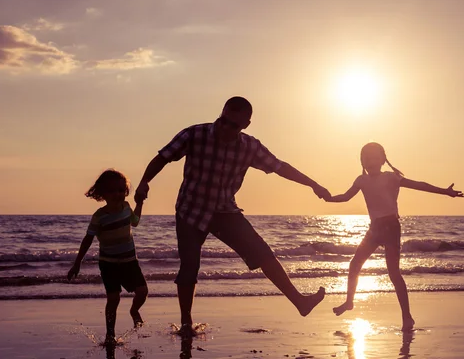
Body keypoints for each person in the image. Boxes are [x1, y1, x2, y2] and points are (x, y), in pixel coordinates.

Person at [134, 97, 329, 336]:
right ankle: (186, 323)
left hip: (225, 210)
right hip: (190, 210)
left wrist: (313, 184)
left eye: (233, 125)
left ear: (245, 125)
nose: (225, 128)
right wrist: (144, 181)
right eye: (223, 121)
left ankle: (300, 301)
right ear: (221, 114)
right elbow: (163, 156)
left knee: (262, 252)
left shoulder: (250, 146)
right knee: (190, 266)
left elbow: (280, 167)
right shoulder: (194, 134)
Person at [324, 142, 464, 331]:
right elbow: (346, 197)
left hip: (391, 227)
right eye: (366, 158)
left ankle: (407, 318)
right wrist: (328, 197)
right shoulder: (361, 180)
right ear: (361, 161)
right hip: (374, 229)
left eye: (374, 157)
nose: (370, 161)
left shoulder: (391, 178)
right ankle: (349, 302)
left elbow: (419, 185)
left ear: (382, 160)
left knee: (394, 274)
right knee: (354, 264)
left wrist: (445, 192)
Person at [68, 169, 149, 345]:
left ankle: (134, 311)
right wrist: (77, 263)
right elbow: (88, 239)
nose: (117, 194)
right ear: (102, 193)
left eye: (121, 190)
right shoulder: (99, 216)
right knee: (113, 298)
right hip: (108, 264)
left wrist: (139, 203)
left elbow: (135, 222)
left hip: (130, 262)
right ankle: (110, 334)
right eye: (112, 191)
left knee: (143, 292)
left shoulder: (127, 208)